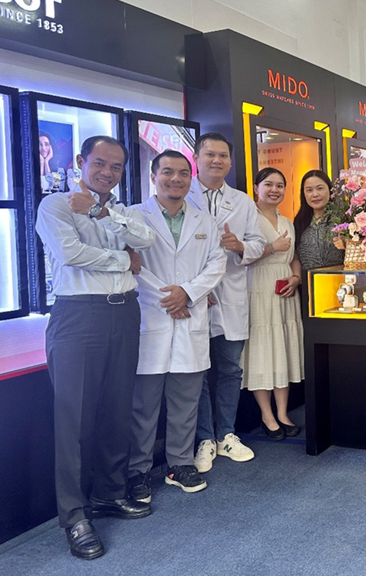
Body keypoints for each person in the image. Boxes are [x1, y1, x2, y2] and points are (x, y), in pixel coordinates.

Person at [35, 136, 155, 560]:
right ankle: (74, 515)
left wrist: (103, 214)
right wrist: (124, 260)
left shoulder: (121, 211)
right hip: (79, 316)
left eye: (116, 167)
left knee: (117, 409)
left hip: (124, 312)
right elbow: (71, 254)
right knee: (75, 419)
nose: (107, 172)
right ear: (80, 162)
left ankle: (109, 493)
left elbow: (146, 240)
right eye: (100, 163)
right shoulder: (55, 205)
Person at [127, 150, 226, 503]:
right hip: (151, 315)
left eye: (184, 173)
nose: (176, 179)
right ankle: (137, 470)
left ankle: (180, 464)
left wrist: (189, 293)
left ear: (190, 178)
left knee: (186, 402)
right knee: (143, 405)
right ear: (153, 176)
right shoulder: (133, 216)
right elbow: (132, 264)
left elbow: (217, 263)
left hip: (190, 316)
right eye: (167, 172)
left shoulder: (204, 219)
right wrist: (171, 297)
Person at [187, 133, 266, 473]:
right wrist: (194, 288)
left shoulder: (243, 201)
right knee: (198, 371)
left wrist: (240, 246)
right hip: (194, 296)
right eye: (210, 154)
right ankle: (204, 437)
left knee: (231, 369)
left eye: (223, 155)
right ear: (196, 158)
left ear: (231, 162)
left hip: (231, 293)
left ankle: (226, 434)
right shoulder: (181, 195)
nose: (216, 160)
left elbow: (258, 243)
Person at [243, 167, 305, 440]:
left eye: (280, 185)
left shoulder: (287, 221)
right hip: (258, 287)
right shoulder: (248, 219)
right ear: (256, 188)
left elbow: (294, 257)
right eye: (268, 184)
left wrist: (296, 278)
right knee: (262, 350)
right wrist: (271, 248)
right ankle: (267, 416)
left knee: (282, 349)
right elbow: (238, 259)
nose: (275, 190)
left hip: (285, 291)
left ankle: (282, 413)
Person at [295, 170, 345, 270]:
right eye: (309, 190)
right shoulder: (299, 222)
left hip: (338, 277)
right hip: (308, 278)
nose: (315, 194)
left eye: (320, 188)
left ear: (330, 190)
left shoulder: (342, 219)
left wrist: (346, 244)